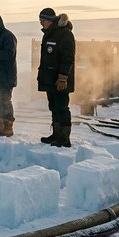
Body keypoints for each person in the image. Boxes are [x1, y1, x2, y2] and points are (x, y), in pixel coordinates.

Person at [36, 8, 76, 147]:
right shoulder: (49, 34)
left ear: (51, 20)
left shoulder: (65, 34)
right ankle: (56, 134)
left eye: (43, 20)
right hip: (49, 79)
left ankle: (64, 138)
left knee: (62, 107)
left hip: (60, 80)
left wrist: (63, 77)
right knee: (53, 107)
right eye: (40, 20)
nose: (41, 23)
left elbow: (68, 58)